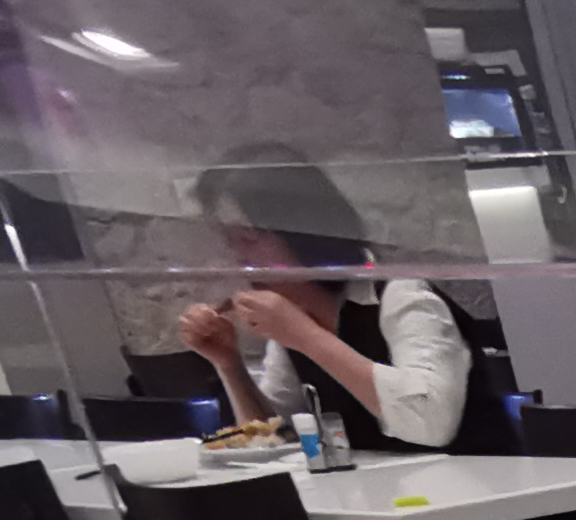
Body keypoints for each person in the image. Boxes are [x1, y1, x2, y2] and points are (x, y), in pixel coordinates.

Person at [174, 158, 475, 452]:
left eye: (248, 237)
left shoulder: (403, 296)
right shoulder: (292, 324)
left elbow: (432, 423)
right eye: (229, 239)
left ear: (301, 230)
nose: (238, 255)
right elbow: (273, 439)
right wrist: (229, 365)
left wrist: (306, 336)